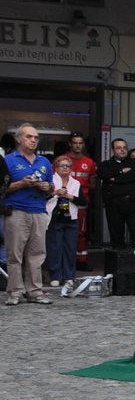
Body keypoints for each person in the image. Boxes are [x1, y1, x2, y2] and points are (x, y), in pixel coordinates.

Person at [4, 124, 55, 305]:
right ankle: (15, 291)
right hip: (16, 210)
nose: (33, 140)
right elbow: (2, 189)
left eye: (36, 137)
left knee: (37, 253)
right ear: (18, 139)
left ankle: (34, 290)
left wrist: (47, 187)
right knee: (15, 254)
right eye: (29, 137)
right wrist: (20, 184)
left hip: (39, 211)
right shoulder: (8, 160)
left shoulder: (44, 162)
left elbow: (52, 188)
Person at [45, 154, 84, 288]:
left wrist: (69, 196)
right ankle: (55, 276)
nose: (65, 168)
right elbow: (42, 197)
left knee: (70, 248)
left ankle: (68, 276)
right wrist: (55, 193)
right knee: (55, 248)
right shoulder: (50, 181)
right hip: (54, 218)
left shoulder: (76, 183)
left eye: (68, 166)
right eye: (62, 166)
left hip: (71, 218)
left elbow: (83, 201)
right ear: (55, 168)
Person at [97, 137, 135, 246]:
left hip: (133, 203)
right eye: (119, 148)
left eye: (124, 147)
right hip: (113, 204)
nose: (122, 150)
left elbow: (134, 176)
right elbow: (103, 174)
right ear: (113, 150)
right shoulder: (106, 164)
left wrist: (115, 178)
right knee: (116, 236)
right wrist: (122, 171)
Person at [64, 132, 95, 264]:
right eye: (75, 143)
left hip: (82, 203)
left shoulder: (89, 162)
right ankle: (65, 259)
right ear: (70, 144)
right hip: (63, 201)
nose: (78, 146)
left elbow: (93, 183)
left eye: (80, 143)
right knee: (63, 231)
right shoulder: (62, 160)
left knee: (81, 232)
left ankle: (81, 260)